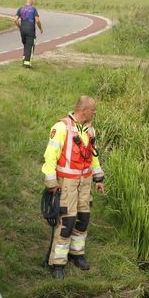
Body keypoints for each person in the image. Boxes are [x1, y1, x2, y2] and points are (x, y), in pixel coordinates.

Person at [42, 96, 105, 279]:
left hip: (85, 183)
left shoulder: (90, 129)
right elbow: (50, 156)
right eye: (93, 109)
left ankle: (77, 254)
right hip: (67, 184)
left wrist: (98, 177)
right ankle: (57, 263)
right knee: (66, 222)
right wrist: (51, 182)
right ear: (83, 110)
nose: (95, 112)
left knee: (83, 218)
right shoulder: (61, 128)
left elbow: (93, 156)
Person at [14, 0, 44, 68]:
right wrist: (40, 28)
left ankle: (24, 59)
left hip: (23, 29)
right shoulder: (33, 9)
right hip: (30, 29)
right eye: (33, 1)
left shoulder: (20, 9)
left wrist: (20, 27)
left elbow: (15, 19)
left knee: (25, 44)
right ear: (31, 2)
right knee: (30, 46)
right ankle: (27, 64)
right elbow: (37, 20)